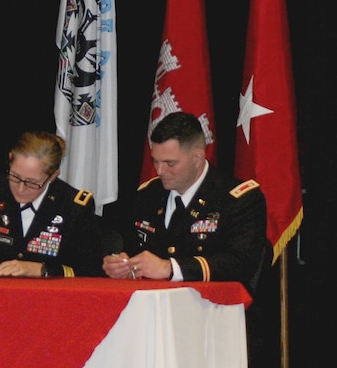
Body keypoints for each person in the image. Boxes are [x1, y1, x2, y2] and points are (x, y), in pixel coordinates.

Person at [102, 111, 267, 287]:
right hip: (152, 304)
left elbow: (242, 263)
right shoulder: (149, 194)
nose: (160, 171)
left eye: (170, 163)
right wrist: (122, 264)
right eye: (155, 161)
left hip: (212, 307)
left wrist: (171, 268)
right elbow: (133, 247)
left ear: (197, 157)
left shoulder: (237, 199)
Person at [0, 131, 104, 277]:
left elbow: (91, 270)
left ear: (53, 176)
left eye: (32, 183)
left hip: (50, 296)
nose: (20, 188)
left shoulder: (73, 207)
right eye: (15, 177)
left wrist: (42, 270)